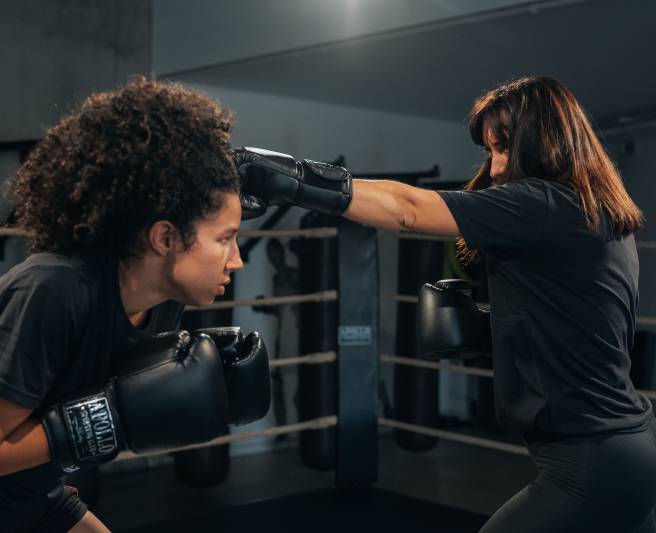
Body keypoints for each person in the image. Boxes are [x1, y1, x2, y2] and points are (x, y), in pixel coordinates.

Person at [236, 75, 656, 533]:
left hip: (590, 465)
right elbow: (582, 320)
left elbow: (407, 208)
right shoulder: (599, 212)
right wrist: (499, 330)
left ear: (543, 141)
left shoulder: (544, 205)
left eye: (504, 148)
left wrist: (294, 180)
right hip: (625, 448)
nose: (495, 168)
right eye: (489, 151)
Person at [0, 76, 271, 533]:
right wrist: (114, 418)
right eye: (225, 239)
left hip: (34, 489)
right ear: (165, 238)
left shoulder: (161, 304)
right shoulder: (55, 290)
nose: (237, 260)